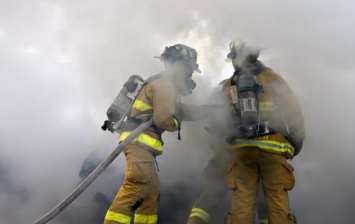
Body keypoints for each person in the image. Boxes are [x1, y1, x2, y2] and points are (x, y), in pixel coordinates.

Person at [103, 44, 201, 224]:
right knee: (135, 187)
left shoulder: (160, 82)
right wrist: (177, 121)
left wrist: (209, 112)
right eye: (190, 70)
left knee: (150, 192)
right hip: (139, 144)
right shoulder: (165, 85)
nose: (190, 75)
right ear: (182, 66)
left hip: (140, 145)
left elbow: (181, 110)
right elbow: (164, 120)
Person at [223, 39, 305, 224]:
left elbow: (224, 118)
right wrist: (297, 140)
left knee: (242, 205)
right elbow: (293, 110)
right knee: (277, 203)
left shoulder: (230, 85)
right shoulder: (273, 78)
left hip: (242, 151)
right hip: (273, 150)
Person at [186, 84, 268, 224]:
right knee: (262, 199)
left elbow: (213, 137)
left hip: (225, 156)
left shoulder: (220, 96)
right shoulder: (252, 99)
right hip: (249, 156)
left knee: (211, 196)